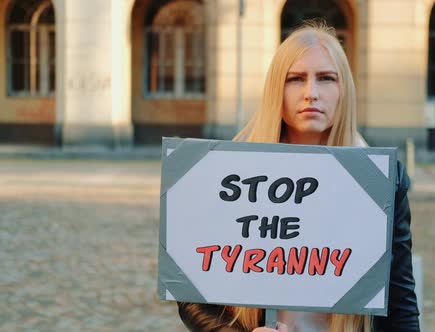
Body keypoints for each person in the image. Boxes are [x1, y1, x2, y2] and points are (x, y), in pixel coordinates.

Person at [177, 21, 420, 332]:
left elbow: (399, 300)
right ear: (277, 88)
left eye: (326, 78)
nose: (311, 93)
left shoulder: (382, 180)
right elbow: (193, 292)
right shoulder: (231, 173)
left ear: (343, 90)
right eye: (295, 79)